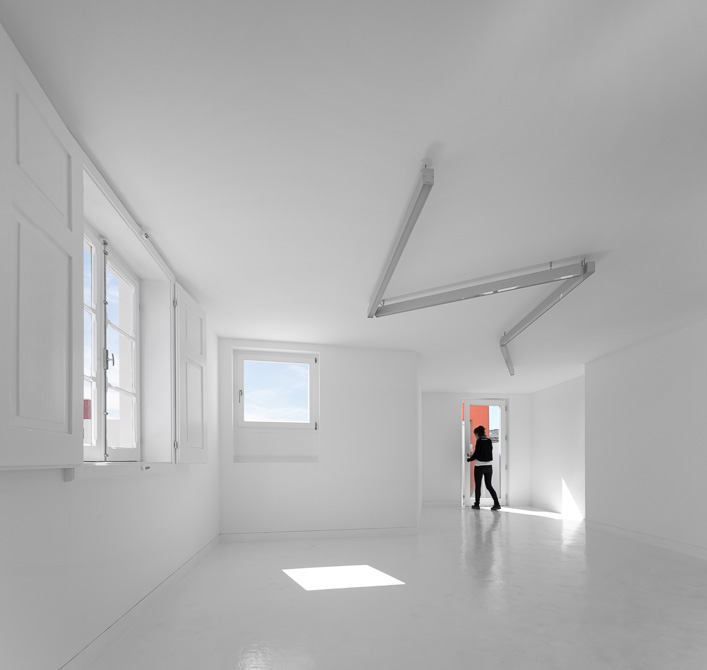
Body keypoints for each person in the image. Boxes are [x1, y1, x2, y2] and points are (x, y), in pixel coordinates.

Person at [467, 425, 501, 510]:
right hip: (489, 467)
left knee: (478, 485)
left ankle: (477, 504)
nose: (475, 436)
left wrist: (469, 459)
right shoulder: (489, 441)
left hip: (479, 467)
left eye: (475, 434)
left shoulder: (479, 441)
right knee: (489, 485)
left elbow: (476, 454)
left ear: (477, 433)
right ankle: (497, 504)